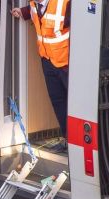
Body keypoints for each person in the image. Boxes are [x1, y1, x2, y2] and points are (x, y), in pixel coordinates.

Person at [12, 0, 70, 147]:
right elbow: (36, 14)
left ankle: (77, 142)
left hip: (67, 63)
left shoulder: (65, 4)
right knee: (58, 102)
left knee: (74, 103)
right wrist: (22, 12)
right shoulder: (34, 5)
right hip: (48, 61)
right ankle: (67, 138)